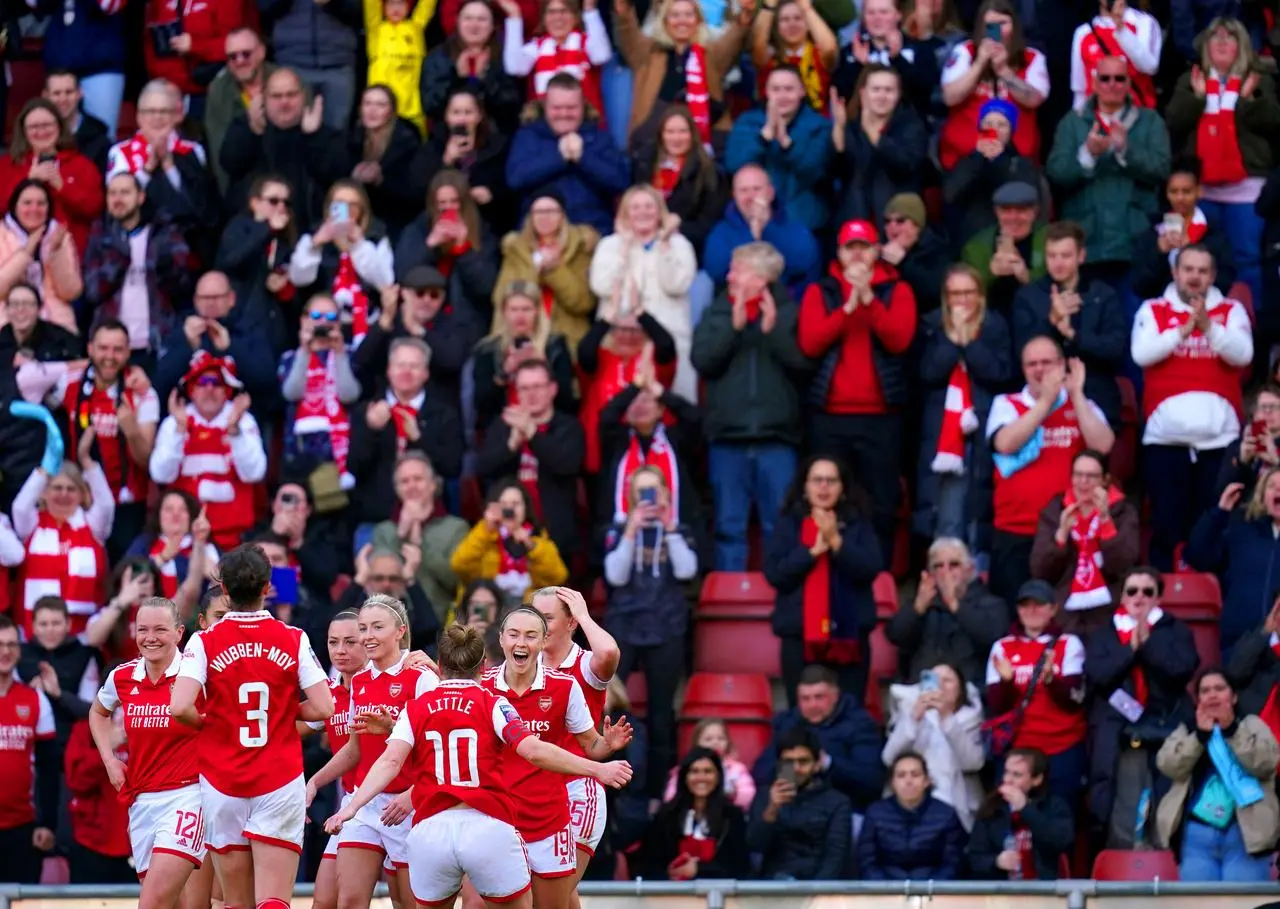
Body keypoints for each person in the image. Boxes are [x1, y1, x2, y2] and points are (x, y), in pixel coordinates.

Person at [321, 623, 633, 909]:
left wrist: (351, 808)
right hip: (485, 828)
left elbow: (389, 761)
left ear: (440, 667)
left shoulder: (416, 708)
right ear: (483, 668)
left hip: (431, 832)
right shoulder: (493, 703)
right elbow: (534, 751)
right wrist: (598, 769)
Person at [170, 545, 334, 909]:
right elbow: (324, 707)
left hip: (222, 781)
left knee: (236, 902)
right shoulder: (293, 637)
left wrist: (208, 721)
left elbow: (179, 706)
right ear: (267, 588)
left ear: (224, 591)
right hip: (278, 778)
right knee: (274, 900)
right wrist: (281, 711)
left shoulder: (204, 641)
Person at [481, 606, 631, 904]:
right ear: (501, 640)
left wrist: (608, 745)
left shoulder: (564, 686)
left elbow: (591, 746)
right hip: (499, 815)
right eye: (513, 635)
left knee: (548, 902)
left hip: (549, 815)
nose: (521, 643)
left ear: (542, 641)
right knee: (480, 902)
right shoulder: (483, 687)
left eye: (530, 635)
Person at [305, 596, 438, 909]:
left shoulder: (422, 678)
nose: (368, 635)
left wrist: (412, 795)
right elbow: (354, 749)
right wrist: (315, 782)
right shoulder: (361, 680)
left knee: (407, 902)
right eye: (363, 628)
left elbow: (437, 749)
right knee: (349, 899)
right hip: (364, 803)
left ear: (399, 631)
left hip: (408, 804)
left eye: (377, 627)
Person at [797, 219, 918, 562]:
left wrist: (869, 301)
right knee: (828, 501)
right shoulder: (821, 292)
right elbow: (810, 343)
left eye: (864, 247)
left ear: (877, 251)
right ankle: (831, 574)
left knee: (881, 503)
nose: (858, 255)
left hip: (881, 418)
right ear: (839, 252)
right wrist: (847, 309)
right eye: (851, 248)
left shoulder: (897, 290)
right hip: (829, 418)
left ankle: (877, 578)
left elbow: (899, 340)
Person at [1133, 245, 1253, 571]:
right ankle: (1162, 606)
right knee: (1165, 528)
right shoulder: (1152, 309)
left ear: (1213, 275)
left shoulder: (1231, 311)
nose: (1195, 277)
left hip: (1219, 443)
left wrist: (1209, 328)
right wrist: (1184, 330)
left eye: (1202, 271)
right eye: (1189, 269)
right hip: (1164, 442)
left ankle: (1209, 603)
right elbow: (1142, 354)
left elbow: (1243, 355)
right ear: (1175, 272)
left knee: (1212, 529)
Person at [691, 241, 808, 571]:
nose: (730, 276)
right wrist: (734, 327)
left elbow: (804, 365)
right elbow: (702, 360)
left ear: (762, 278)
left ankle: (778, 597)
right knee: (729, 528)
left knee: (779, 526)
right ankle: (731, 596)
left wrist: (774, 334)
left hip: (777, 438)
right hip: (727, 439)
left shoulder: (789, 313)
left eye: (739, 270)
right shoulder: (717, 312)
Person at [90, 597, 212, 909]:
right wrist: (110, 761)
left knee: (153, 903)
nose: (150, 637)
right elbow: (98, 712)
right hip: (141, 802)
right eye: (142, 629)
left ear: (179, 632)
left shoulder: (197, 675)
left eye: (160, 629)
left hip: (189, 797)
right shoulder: (122, 676)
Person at [985, 336, 1115, 603]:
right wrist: (1045, 403)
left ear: (1062, 366)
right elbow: (1005, 443)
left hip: (1068, 531)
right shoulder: (1006, 404)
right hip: (1015, 532)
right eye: (1031, 363)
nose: (1039, 370)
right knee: (1015, 617)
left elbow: (1103, 445)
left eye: (1047, 362)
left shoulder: (1081, 405)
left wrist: (1076, 395)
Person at [18, 319, 160, 560]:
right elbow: (25, 383)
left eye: (117, 350)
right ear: (91, 348)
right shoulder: (71, 382)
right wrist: (81, 363)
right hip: (81, 501)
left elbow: (147, 462)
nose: (110, 356)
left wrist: (132, 430)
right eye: (103, 348)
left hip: (126, 504)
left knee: (118, 573)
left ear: (128, 352)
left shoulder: (143, 393)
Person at [1165, 17, 1280, 304]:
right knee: (1198, 257)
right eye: (1215, 37)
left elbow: (1274, 123)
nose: (1222, 42)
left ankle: (1245, 326)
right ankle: (1198, 323)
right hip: (1201, 189)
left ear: (1241, 46)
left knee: (1247, 258)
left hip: (1247, 188)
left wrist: (1248, 99)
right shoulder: (1190, 78)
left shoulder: (1260, 78)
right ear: (1206, 46)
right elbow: (1174, 122)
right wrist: (1198, 97)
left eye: (1230, 38)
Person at [1085, 567, 1200, 848]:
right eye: (1131, 591)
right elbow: (1097, 675)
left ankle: (1165, 865)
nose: (1139, 597)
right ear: (1122, 597)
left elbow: (1182, 669)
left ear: (1158, 598)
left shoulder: (1174, 629)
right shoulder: (1105, 632)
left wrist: (1148, 645)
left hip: (1165, 727)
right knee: (1122, 807)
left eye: (1148, 591)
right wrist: (1129, 651)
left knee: (1166, 807)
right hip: (1119, 733)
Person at [601, 468, 696, 793]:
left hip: (666, 626)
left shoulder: (678, 530)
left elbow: (687, 570)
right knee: (609, 708)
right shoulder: (618, 529)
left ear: (667, 494)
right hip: (624, 627)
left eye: (654, 492)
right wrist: (631, 528)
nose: (648, 500)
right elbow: (614, 575)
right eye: (642, 493)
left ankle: (657, 793)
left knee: (660, 715)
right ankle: (612, 786)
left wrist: (668, 526)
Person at [1045, 54, 1171, 288]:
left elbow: (1163, 169)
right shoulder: (1072, 122)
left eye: (1119, 78)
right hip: (1086, 242)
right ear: (1094, 83)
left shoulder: (1150, 121)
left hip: (1135, 241)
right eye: (1105, 78)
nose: (1112, 84)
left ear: (1129, 84)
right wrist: (1088, 154)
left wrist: (1126, 151)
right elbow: (1056, 174)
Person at [765, 456, 883, 702]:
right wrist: (811, 552)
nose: (824, 487)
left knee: (850, 714)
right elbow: (775, 574)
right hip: (800, 637)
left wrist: (837, 543)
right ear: (805, 488)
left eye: (831, 481)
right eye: (817, 480)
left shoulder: (858, 524)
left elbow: (870, 568)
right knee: (801, 716)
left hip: (849, 637)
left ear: (842, 489)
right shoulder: (788, 524)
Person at [914, 264, 1013, 554]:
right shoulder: (932, 325)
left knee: (980, 512)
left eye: (969, 293)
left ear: (981, 295)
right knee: (948, 511)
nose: (962, 300)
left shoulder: (994, 326)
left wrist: (968, 344)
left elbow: (999, 373)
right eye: (955, 294)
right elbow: (928, 372)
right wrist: (952, 339)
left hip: (985, 430)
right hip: (944, 436)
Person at [1156, 669, 1279, 881]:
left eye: (1220, 689)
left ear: (1234, 697)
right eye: (1205, 691)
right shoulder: (1187, 729)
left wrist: (1232, 731)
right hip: (1197, 837)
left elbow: (1266, 763)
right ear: (1198, 700)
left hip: (1245, 835)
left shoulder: (1251, 724)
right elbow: (1168, 766)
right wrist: (1199, 738)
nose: (1212, 695)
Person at [1011, 221, 1127, 428]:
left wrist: (1074, 335)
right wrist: (1051, 321)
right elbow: (1021, 352)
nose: (1058, 263)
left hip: (1096, 399)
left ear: (1081, 256)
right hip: (1043, 405)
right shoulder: (1028, 296)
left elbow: (1115, 350)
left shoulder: (1104, 294)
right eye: (1052, 256)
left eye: (1065, 256)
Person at [149, 351, 267, 550]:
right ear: (192, 389)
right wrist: (180, 431)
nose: (209, 389)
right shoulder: (174, 422)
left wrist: (234, 431)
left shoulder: (243, 420)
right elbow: (160, 474)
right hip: (184, 540)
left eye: (217, 383)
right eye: (202, 383)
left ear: (227, 391)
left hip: (235, 540)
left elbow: (254, 474)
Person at [589, 185, 698, 399]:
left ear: (660, 211)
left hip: (669, 340)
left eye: (649, 206)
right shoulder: (609, 245)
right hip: (622, 343)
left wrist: (665, 243)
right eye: (635, 207)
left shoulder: (679, 244)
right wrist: (624, 250)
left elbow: (676, 285)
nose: (643, 212)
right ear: (625, 213)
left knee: (673, 405)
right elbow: (601, 285)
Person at [986, 579, 1088, 803]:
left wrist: (1052, 681)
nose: (1032, 610)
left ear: (1053, 609)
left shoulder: (1069, 644)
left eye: (1039, 604)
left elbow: (1074, 701)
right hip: (1018, 751)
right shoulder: (1002, 647)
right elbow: (997, 706)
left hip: (1062, 748)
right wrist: (1006, 682)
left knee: (1061, 815)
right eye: (1025, 605)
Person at [348, 338, 464, 531]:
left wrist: (420, 439)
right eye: (400, 365)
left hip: (430, 522)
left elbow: (452, 467)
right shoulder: (366, 411)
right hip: (376, 519)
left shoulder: (444, 413)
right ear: (389, 371)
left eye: (414, 366)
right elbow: (355, 467)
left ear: (425, 373)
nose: (406, 372)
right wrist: (372, 430)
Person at [476, 359, 586, 560]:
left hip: (554, 532)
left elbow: (567, 465)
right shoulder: (503, 425)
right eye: (524, 388)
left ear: (552, 389)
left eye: (537, 386)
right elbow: (484, 468)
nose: (531, 394)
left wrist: (532, 432)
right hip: (507, 529)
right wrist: (511, 445)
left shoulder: (569, 427)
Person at [611, 0, 753, 152]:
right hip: (652, 141)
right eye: (675, 15)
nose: (682, 21)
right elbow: (625, 27)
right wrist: (622, 6)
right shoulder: (647, 52)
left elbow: (737, 35)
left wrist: (746, 12)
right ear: (664, 21)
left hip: (705, 144)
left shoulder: (712, 54)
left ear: (698, 21)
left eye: (688, 15)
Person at [220, 68, 350, 230]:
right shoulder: (243, 127)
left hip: (310, 231)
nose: (284, 102)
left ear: (303, 97)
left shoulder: (321, 132)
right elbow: (230, 164)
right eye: (276, 96)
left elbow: (338, 175)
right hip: (255, 231)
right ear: (263, 98)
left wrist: (314, 138)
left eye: (291, 95)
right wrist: (252, 132)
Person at [83, 173, 194, 360]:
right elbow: (93, 292)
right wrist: (120, 257)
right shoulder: (100, 237)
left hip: (158, 340)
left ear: (140, 197)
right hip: (112, 348)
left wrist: (165, 266)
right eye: (112, 194)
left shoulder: (164, 233)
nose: (118, 199)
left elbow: (182, 284)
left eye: (125, 193)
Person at [506, 73, 632, 237]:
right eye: (557, 108)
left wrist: (583, 158)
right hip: (539, 234)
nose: (564, 114)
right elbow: (515, 179)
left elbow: (621, 181)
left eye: (571, 108)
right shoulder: (528, 136)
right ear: (545, 107)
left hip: (592, 230)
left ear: (583, 107)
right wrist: (559, 157)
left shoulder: (599, 137)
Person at [1030, 449, 1139, 636]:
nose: (1083, 482)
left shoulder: (1122, 512)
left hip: (1109, 611)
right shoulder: (1055, 510)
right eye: (1078, 475)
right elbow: (1040, 570)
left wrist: (1105, 521)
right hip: (1064, 614)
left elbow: (1124, 566)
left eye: (1091, 476)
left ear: (1105, 479)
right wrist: (1061, 535)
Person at [105, 80, 218, 258]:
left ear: (175, 116)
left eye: (164, 111)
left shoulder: (193, 150)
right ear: (139, 117)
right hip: (136, 244)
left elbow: (202, 202)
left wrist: (169, 165)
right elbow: (118, 203)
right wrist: (148, 168)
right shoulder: (120, 152)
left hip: (188, 242)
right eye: (150, 111)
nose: (157, 117)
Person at [12, 439, 113, 637]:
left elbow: (106, 504)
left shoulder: (92, 525)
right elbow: (20, 506)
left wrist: (86, 462)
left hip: (80, 636)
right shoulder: (32, 524)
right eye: (57, 488)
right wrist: (44, 470)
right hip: (34, 634)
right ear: (44, 492)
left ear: (82, 494)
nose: (63, 494)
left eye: (71, 488)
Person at [753, 665, 884, 813]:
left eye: (819, 697)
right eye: (805, 699)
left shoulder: (860, 724)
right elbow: (761, 774)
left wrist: (828, 764)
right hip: (794, 809)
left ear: (835, 696)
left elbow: (871, 783)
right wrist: (791, 768)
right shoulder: (787, 723)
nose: (812, 705)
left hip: (846, 809)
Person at [579, 287, 678, 475]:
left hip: (647, 454)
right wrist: (606, 319)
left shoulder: (654, 360)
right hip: (601, 454)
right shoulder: (601, 358)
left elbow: (666, 344)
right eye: (622, 329)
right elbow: (584, 351)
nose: (628, 336)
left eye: (636, 330)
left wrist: (641, 313)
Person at [304, 611, 367, 909]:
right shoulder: (327, 696)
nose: (340, 650)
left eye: (350, 642)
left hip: (398, 804)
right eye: (333, 642)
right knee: (324, 900)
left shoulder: (390, 684)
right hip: (353, 808)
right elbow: (280, 731)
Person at [938, 0, 1047, 171]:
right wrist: (979, 64)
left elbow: (1034, 99)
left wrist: (1004, 71)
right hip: (966, 160)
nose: (997, 32)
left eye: (1003, 23)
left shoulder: (1032, 57)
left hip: (1017, 162)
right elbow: (949, 98)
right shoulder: (965, 51)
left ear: (1014, 26)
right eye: (990, 25)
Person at [725, 65, 833, 232]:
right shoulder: (747, 122)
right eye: (776, 89)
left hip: (803, 222)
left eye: (789, 89)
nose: (782, 96)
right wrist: (764, 138)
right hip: (752, 218)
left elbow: (815, 172)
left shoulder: (819, 126)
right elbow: (734, 165)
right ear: (766, 92)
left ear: (802, 92)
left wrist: (787, 144)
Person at [288, 180, 395, 349]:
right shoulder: (314, 235)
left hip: (366, 324)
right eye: (340, 205)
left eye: (353, 205)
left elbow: (385, 282)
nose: (347, 211)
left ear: (362, 210)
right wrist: (316, 243)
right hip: (324, 325)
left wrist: (359, 244)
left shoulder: (376, 236)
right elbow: (298, 278)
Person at [493, 190, 599, 355]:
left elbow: (583, 302)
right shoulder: (516, 248)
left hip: (566, 339)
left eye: (551, 211)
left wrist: (555, 271)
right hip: (521, 338)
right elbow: (501, 297)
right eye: (538, 212)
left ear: (562, 215)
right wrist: (537, 271)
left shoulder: (580, 247)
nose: (544, 217)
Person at [888, 538, 1006, 685]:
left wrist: (954, 605)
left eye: (954, 565)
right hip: (923, 691)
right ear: (930, 573)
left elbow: (992, 636)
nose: (946, 572)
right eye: (938, 566)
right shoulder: (923, 603)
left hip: (969, 693)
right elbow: (896, 636)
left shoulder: (991, 604)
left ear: (969, 569)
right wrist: (917, 608)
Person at [882, 664, 985, 830]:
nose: (940, 686)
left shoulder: (971, 718)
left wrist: (946, 718)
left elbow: (972, 763)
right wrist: (913, 719)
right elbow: (889, 758)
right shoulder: (911, 714)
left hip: (957, 806)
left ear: (960, 689)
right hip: (914, 802)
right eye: (935, 680)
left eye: (948, 680)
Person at [1187, 472, 1280, 657]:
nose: (1278, 490)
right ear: (1262, 495)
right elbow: (1198, 557)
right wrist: (1220, 512)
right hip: (1240, 645)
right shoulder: (1242, 532)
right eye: (1272, 486)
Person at [371, 453, 470, 627]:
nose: (411, 486)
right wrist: (400, 536)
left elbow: (457, 582)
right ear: (397, 489)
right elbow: (378, 582)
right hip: (390, 626)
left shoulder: (456, 528)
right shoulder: (384, 531)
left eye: (418, 479)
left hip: (441, 626)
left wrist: (420, 546)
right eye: (404, 481)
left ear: (433, 484)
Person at [702, 164, 822, 305]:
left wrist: (767, 229)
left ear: (770, 193)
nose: (750, 197)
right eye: (743, 191)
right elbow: (715, 271)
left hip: (785, 307)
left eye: (756, 189)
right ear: (734, 195)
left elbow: (803, 261)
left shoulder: (792, 226)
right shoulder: (722, 231)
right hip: (735, 308)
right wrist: (752, 236)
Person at [829, 65, 928, 232]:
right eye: (876, 89)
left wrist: (873, 134)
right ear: (863, 93)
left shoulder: (912, 126)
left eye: (889, 90)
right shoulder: (852, 126)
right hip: (856, 222)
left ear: (898, 95)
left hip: (896, 225)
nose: (882, 96)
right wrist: (839, 128)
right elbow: (839, 172)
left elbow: (905, 165)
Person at [394, 169, 501, 321]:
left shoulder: (483, 233)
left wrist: (463, 249)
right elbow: (402, 275)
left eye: (454, 201)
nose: (449, 208)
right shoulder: (418, 230)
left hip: (466, 324)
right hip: (422, 318)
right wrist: (429, 245)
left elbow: (486, 287)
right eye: (442, 203)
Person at [747, 726, 852, 880]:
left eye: (803, 761)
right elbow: (754, 847)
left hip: (815, 886)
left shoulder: (838, 802)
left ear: (817, 764)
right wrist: (772, 809)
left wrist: (816, 895)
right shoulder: (765, 795)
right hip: (771, 887)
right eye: (789, 762)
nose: (796, 768)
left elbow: (835, 857)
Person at [0, 98, 104, 255]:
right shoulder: (7, 165)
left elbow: (94, 207)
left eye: (47, 125)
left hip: (70, 255)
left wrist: (62, 187)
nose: (41, 131)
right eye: (34, 126)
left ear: (59, 127)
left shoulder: (82, 165)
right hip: (15, 256)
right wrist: (26, 183)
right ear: (24, 131)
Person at [279, 294, 363, 487]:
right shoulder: (290, 358)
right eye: (316, 316)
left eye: (331, 318)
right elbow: (291, 393)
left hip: (341, 450)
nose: (323, 322)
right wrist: (305, 351)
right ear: (303, 319)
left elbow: (349, 395)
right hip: (300, 450)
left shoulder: (350, 354)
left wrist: (339, 353)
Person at [472, 282, 577, 432]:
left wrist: (543, 368)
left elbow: (567, 400)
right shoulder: (487, 349)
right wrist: (504, 374)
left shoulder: (555, 345)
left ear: (537, 311)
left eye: (527, 309)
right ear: (504, 312)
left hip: (549, 429)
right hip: (503, 428)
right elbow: (481, 403)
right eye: (514, 309)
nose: (520, 316)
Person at [1130, 156, 1237, 303]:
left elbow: (1225, 281)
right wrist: (1159, 253)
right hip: (1163, 315)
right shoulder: (1153, 233)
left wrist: (1195, 254)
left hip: (1207, 309)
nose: (1180, 198)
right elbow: (1140, 286)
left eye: (1186, 191)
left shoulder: (1213, 233)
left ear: (1199, 191)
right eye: (1173, 191)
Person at [0, 614, 57, 884]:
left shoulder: (35, 700)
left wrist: (47, 824)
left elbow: (48, 769)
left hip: (22, 830)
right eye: (0, 644)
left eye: (11, 644)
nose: (5, 651)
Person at [409, 87, 512, 236]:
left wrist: (491, 193)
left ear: (479, 116)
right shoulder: (434, 146)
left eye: (468, 112)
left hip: (485, 222)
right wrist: (446, 161)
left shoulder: (497, 146)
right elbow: (417, 189)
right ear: (447, 117)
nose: (462, 119)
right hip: (439, 221)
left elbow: (508, 186)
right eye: (456, 113)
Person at [633, 106, 729, 263]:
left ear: (692, 134)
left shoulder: (709, 173)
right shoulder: (644, 163)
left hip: (686, 253)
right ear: (661, 135)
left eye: (683, 131)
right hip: (642, 246)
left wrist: (680, 228)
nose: (676, 138)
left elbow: (710, 223)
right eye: (670, 132)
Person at [638, 747, 751, 880]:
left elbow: (739, 868)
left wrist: (699, 869)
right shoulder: (666, 816)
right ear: (684, 777)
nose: (701, 778)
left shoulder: (732, 816)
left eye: (708, 771)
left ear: (718, 777)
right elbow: (649, 864)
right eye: (694, 771)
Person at [451, 479, 569, 603]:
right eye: (504, 504)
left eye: (515, 504)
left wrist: (531, 546)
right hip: (489, 609)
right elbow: (459, 565)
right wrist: (486, 530)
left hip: (525, 611)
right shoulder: (483, 536)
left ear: (526, 508)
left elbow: (557, 577)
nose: (509, 510)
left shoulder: (537, 540)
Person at [966, 747, 1075, 880]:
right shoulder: (991, 807)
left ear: (1037, 779)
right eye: (1006, 772)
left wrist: (1025, 809)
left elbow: (1060, 843)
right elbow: (974, 857)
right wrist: (996, 861)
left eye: (1017, 775)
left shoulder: (1054, 806)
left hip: (1043, 891)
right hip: (1001, 892)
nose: (1008, 780)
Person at [419, 0, 523, 133]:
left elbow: (511, 108)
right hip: (448, 136)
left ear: (493, 25)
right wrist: (457, 77)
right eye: (468, 18)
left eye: (482, 19)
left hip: (496, 139)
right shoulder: (439, 56)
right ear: (458, 22)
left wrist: (485, 80)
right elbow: (430, 106)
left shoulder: (507, 56)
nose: (474, 25)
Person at [858, 752, 965, 880]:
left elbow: (952, 863)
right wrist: (885, 890)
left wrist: (931, 890)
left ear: (926, 781)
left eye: (915, 775)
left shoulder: (946, 814)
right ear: (892, 783)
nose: (908, 781)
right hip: (885, 890)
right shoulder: (875, 813)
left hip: (935, 891)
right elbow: (867, 861)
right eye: (901, 775)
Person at [260, 0, 361, 131]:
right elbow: (265, 8)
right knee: (290, 132)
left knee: (337, 133)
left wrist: (333, 3)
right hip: (292, 64)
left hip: (337, 64)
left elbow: (358, 13)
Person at [0, 180, 84, 336]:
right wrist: (26, 253)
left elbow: (71, 292)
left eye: (41, 203)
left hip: (54, 321)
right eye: (27, 203)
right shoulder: (2, 235)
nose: (34, 209)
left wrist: (56, 253)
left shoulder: (60, 236)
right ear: (15, 206)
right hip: (6, 324)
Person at [501, 0, 611, 115]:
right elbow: (514, 67)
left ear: (576, 17)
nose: (558, 18)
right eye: (551, 12)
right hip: (545, 124)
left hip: (584, 123)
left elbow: (601, 56)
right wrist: (514, 15)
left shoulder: (585, 42)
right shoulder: (537, 47)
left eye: (564, 11)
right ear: (543, 19)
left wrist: (590, 10)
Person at [204, 28, 277, 194]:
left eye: (246, 54)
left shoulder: (286, 80)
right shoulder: (218, 90)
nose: (239, 61)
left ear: (262, 52)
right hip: (243, 186)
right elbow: (218, 151)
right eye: (232, 56)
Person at [960, 180, 1046, 319]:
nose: (1014, 218)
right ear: (996, 212)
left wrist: (1027, 276)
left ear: (1034, 212)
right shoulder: (977, 246)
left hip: (1039, 317)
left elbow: (1063, 282)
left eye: (1021, 210)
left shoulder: (1050, 238)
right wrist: (990, 273)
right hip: (990, 321)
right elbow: (963, 291)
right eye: (1006, 210)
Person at [347, 85, 426, 238]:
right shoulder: (351, 136)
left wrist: (382, 181)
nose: (372, 110)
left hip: (395, 219)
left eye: (380, 105)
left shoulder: (408, 142)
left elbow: (414, 193)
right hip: (356, 214)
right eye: (367, 103)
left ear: (392, 111)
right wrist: (352, 177)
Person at [1068, 0, 1161, 111]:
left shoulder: (1144, 22)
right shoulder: (1083, 32)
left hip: (1138, 116)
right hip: (1096, 120)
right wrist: (1079, 123)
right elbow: (1080, 90)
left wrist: (1121, 28)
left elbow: (1149, 66)